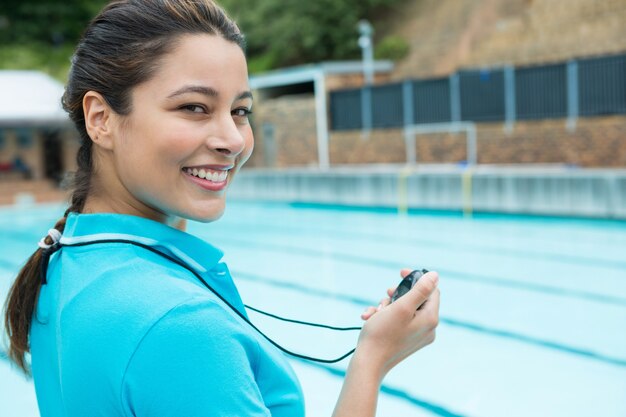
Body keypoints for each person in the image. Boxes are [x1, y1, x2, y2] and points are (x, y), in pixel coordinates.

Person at [3, 1, 440, 416]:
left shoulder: (66, 260)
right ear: (101, 119)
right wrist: (372, 361)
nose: (232, 139)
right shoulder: (180, 326)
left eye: (240, 110)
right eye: (194, 107)